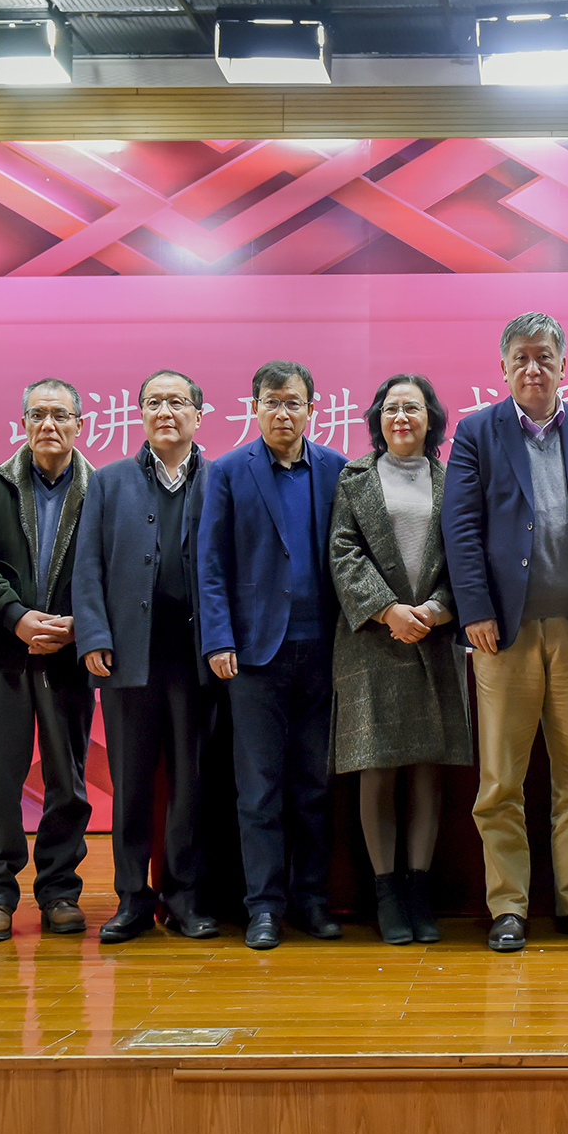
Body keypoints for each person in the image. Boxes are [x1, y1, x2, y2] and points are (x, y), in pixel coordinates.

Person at [441, 311, 568, 952]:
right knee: (501, 779)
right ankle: (508, 906)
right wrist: (475, 610)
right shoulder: (477, 432)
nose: (533, 367)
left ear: (562, 365)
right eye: (521, 357)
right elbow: (460, 527)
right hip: (504, 631)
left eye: (544, 356)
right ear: (503, 367)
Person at [201, 360, 350, 951]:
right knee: (259, 788)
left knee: (314, 784)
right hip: (254, 657)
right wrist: (218, 638)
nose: (282, 413)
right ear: (254, 408)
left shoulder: (337, 469)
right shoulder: (227, 471)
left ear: (312, 408)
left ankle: (311, 900)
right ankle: (263, 905)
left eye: (293, 403)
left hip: (325, 651)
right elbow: (211, 564)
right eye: (271, 402)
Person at [74, 371, 219, 943]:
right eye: (154, 401)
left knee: (191, 782)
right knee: (130, 784)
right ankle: (132, 899)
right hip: (128, 656)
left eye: (176, 402)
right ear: (139, 413)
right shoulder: (108, 481)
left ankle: (184, 898)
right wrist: (93, 636)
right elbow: (87, 564)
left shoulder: (220, 479)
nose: (165, 411)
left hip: (196, 655)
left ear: (198, 415)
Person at [327, 374, 472, 945]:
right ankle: (387, 894)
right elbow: (343, 552)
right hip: (372, 640)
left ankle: (418, 891)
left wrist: (435, 610)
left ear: (430, 418)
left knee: (428, 769)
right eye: (391, 409)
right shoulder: (355, 478)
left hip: (433, 638)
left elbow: (469, 555)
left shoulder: (454, 480)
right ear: (377, 420)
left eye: (412, 407)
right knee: (378, 768)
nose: (401, 417)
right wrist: (388, 610)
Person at [0, 379, 95, 945]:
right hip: (0, 656)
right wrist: (17, 617)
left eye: (60, 414)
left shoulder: (101, 489)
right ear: (23, 424)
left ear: (80, 423)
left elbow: (111, 565)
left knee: (68, 783)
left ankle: (59, 891)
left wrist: (79, 626)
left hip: (69, 657)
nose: (48, 425)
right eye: (38, 415)